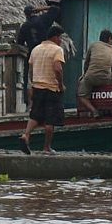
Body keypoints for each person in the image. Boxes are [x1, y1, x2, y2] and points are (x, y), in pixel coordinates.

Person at [20, 24, 66, 155]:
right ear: (55, 37)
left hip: (37, 87)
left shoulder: (36, 49)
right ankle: (46, 147)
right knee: (50, 120)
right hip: (51, 89)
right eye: (60, 37)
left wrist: (34, 83)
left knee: (35, 115)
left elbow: (30, 70)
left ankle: (26, 135)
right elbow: (58, 69)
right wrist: (61, 84)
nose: (61, 40)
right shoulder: (57, 50)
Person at [77, 29, 112, 115]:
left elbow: (86, 63)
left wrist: (85, 75)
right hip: (106, 79)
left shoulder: (93, 45)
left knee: (82, 96)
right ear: (109, 39)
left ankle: (94, 111)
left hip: (90, 78)